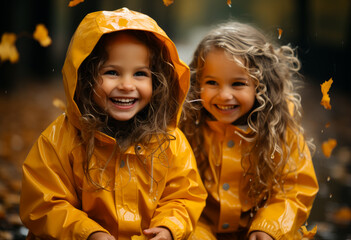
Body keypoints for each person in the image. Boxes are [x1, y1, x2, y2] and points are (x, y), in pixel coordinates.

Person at [20, 8, 207, 240]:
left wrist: (169, 228)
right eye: (112, 72)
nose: (127, 85)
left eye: (140, 74)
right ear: (86, 78)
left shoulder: (169, 140)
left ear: (157, 81)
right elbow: (44, 202)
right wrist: (89, 233)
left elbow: (184, 196)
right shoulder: (61, 139)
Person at [180, 21, 319, 240]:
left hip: (259, 230)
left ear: (260, 85)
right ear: (198, 84)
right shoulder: (186, 126)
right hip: (199, 226)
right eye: (212, 83)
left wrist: (268, 227)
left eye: (238, 84)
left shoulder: (281, 130)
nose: (225, 95)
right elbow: (178, 190)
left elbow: (294, 189)